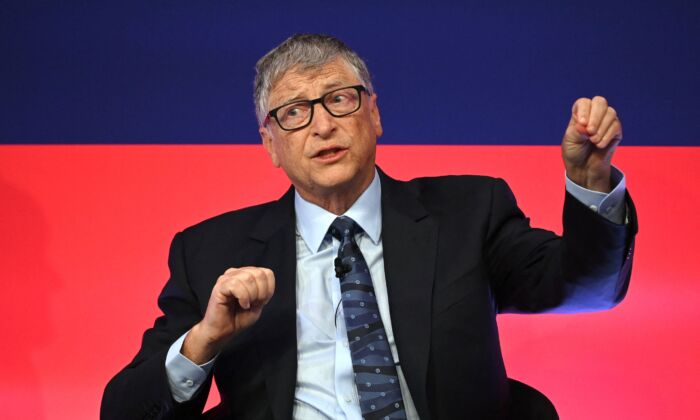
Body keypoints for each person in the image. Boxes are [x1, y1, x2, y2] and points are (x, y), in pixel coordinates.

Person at [101, 34, 636, 419]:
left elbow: (587, 286)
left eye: (339, 99)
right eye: (294, 112)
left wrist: (590, 182)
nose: (323, 124)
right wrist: (204, 341)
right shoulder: (210, 252)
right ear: (270, 143)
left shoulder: (469, 211)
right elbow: (124, 411)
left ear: (374, 115)